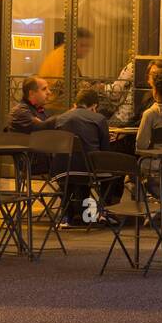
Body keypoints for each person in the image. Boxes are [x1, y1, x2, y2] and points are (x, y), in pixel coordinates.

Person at [49, 88, 113, 226]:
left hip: (61, 171)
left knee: (73, 168)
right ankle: (103, 212)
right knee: (112, 172)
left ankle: (67, 216)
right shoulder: (99, 119)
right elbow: (104, 152)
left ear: (75, 104)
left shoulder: (60, 118)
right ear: (94, 106)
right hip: (89, 170)